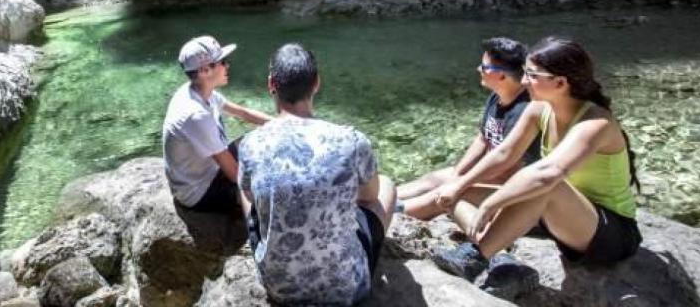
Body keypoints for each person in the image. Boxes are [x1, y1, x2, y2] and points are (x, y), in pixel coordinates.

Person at [432, 37, 642, 298]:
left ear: (560, 83)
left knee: (546, 186)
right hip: (556, 217)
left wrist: (492, 203)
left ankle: (476, 256)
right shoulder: (539, 109)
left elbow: (548, 173)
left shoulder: (595, 122)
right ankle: (505, 262)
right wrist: (459, 183)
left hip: (609, 234)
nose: (522, 81)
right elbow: (505, 154)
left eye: (531, 75)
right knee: (460, 194)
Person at [238, 43, 396, 305]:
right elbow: (369, 197)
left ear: (271, 84)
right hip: (346, 289)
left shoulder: (251, 143)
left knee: (246, 188)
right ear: (317, 83)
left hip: (279, 287)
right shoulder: (352, 140)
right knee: (387, 185)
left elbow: (250, 197)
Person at [399, 37, 538, 220]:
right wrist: (457, 174)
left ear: (502, 76)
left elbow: (509, 166)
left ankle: (384, 215)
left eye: (484, 67)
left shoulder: (524, 111)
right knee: (431, 180)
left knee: (439, 196)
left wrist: (461, 183)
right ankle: (371, 199)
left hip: (513, 188)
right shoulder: (497, 97)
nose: (478, 69)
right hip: (490, 175)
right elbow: (483, 139)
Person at [163, 35, 273, 213]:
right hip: (199, 191)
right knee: (270, 192)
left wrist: (287, 124)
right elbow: (233, 173)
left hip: (208, 171)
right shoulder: (195, 115)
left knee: (263, 138)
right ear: (205, 70)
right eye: (223, 61)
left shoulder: (200, 91)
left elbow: (243, 113)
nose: (227, 66)